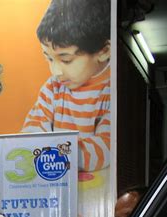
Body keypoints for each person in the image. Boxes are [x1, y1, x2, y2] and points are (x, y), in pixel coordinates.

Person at [21, 0, 111, 172]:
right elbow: (31, 133)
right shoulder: (52, 89)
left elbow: (106, 147)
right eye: (49, 58)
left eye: (66, 59)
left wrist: (49, 152)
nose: (55, 71)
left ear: (104, 51)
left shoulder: (112, 90)